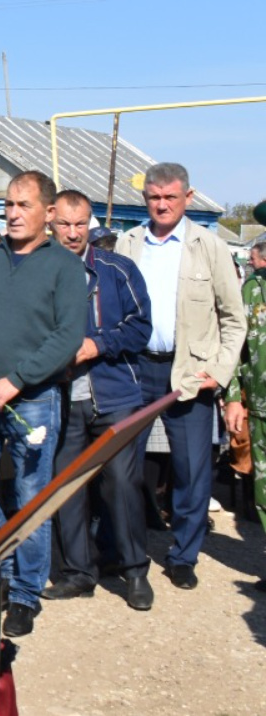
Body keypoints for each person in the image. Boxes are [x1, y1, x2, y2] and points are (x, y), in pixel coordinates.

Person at [0, 171, 85, 637]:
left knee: (31, 499)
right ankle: (6, 569)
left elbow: (67, 337)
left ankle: (25, 594)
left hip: (32, 400)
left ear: (49, 213)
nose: (12, 213)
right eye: (8, 203)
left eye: (23, 205)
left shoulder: (66, 267)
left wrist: (18, 379)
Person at [115, 162, 246, 590]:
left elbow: (234, 318)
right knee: (123, 468)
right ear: (145, 198)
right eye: (154, 197)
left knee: (192, 473)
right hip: (136, 371)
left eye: (171, 197)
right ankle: (124, 548)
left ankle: (183, 555)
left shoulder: (209, 246)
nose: (162, 205)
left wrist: (220, 371)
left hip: (190, 374)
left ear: (187, 198)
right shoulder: (127, 243)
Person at [41, 190, 154, 609]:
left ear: (90, 222)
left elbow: (140, 327)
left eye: (80, 224)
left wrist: (97, 344)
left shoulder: (117, 269)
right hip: (61, 396)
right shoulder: (38, 270)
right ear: (51, 221)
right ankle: (78, 572)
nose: (73, 233)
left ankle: (134, 569)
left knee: (122, 483)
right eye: (65, 224)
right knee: (66, 485)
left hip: (115, 393)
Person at [224, 228, 266, 589]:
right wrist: (234, 396)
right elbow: (236, 345)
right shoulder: (252, 289)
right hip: (261, 407)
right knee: (264, 492)